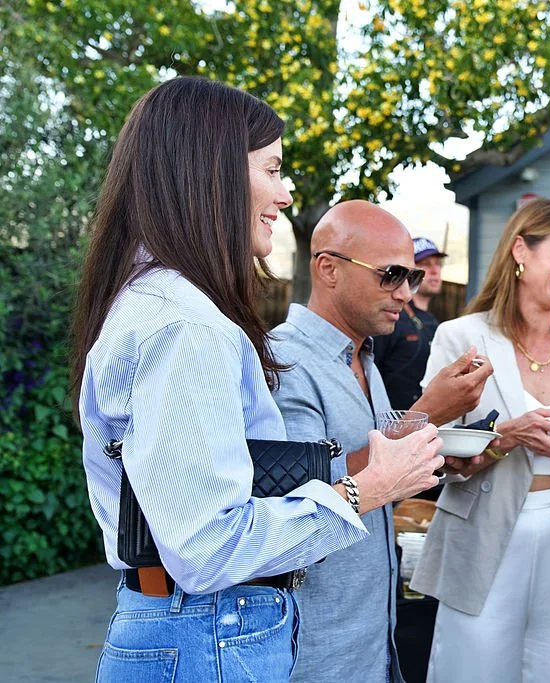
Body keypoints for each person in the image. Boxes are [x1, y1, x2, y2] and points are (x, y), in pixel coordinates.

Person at [70, 78, 446, 681]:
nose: (285, 192)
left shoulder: (154, 301)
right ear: (212, 173)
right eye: (272, 169)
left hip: (185, 625)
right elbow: (209, 546)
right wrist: (367, 489)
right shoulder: (187, 325)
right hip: (209, 632)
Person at [410, 198, 550, 683]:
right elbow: (431, 451)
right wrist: (507, 436)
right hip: (482, 538)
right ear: (521, 250)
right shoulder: (462, 337)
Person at [271, 201, 493, 682]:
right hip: (313, 645)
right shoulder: (284, 361)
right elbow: (305, 498)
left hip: (371, 635)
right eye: (390, 274)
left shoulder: (365, 357)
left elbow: (379, 476)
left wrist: (441, 457)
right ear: (328, 268)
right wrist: (428, 413)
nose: (405, 292)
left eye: (412, 277)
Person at [373, 236, 448, 409]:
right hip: (390, 425)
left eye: (438, 263)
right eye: (425, 264)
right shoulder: (391, 318)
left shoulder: (434, 322)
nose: (435, 270)